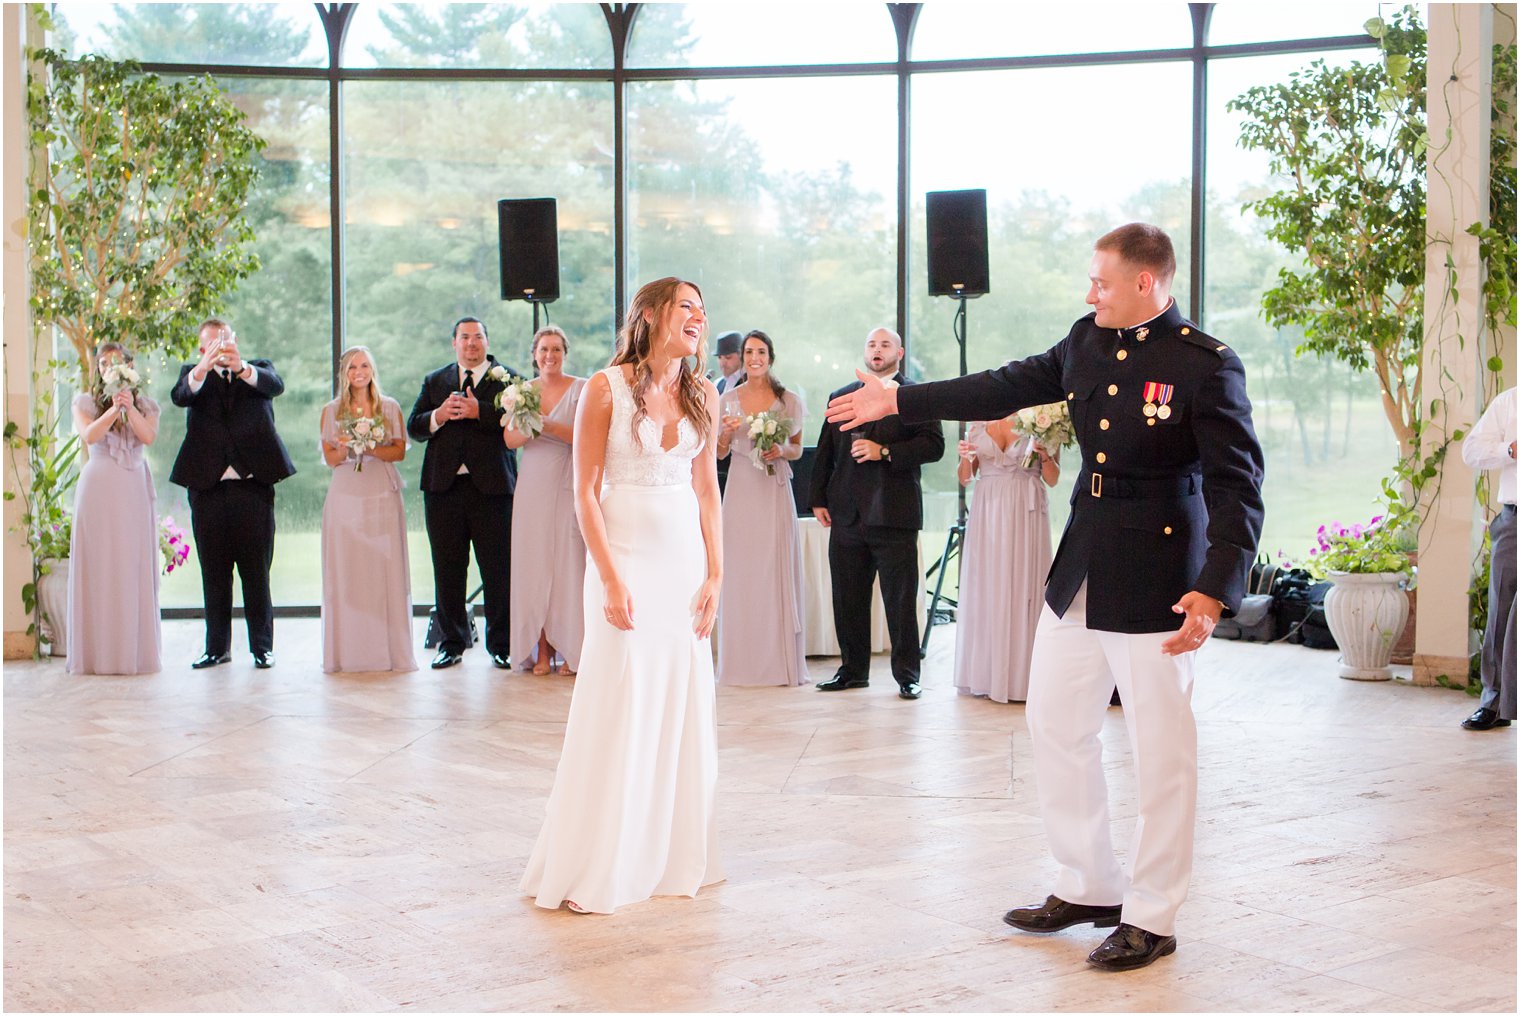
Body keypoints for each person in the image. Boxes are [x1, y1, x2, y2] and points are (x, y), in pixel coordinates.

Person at [825, 223, 1264, 972]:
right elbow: (1001, 384)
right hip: (1083, 563)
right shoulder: (1086, 339)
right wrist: (899, 399)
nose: (1089, 292)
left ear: (1146, 284)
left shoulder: (1205, 365)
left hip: (1160, 574)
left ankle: (1152, 915)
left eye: (1101, 281)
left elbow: (1238, 484)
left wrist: (1214, 589)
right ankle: (1088, 881)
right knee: (1056, 725)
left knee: (1161, 751)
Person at [520, 276, 724, 915]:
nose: (700, 316)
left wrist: (717, 573)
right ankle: (603, 860)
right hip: (625, 560)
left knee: (679, 702)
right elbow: (584, 489)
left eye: (702, 306)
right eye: (687, 306)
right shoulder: (604, 388)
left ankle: (669, 853)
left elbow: (707, 491)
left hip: (683, 566)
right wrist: (608, 576)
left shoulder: (705, 394)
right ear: (654, 314)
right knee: (621, 699)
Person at [809, 327, 945, 700]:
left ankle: (907, 675)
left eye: (885, 344)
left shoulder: (914, 396)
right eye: (872, 344)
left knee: (900, 601)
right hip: (847, 514)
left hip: (894, 513)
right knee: (847, 597)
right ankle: (852, 671)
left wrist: (883, 451)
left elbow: (934, 446)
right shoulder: (842, 396)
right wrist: (818, 498)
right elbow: (825, 451)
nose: (877, 350)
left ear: (899, 352)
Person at [170, 318, 296, 670]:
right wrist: (202, 368)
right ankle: (216, 647)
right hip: (208, 491)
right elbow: (180, 395)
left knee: (257, 572)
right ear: (200, 349)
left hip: (252, 490)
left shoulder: (258, 370)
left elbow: (275, 386)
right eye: (212, 344)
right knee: (214, 573)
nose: (220, 349)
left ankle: (262, 647)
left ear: (236, 341)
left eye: (224, 342)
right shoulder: (192, 376)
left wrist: (240, 367)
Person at [407, 316, 518, 670]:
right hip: (443, 489)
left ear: (487, 341)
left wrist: (478, 411)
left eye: (478, 337)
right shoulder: (434, 379)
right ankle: (451, 642)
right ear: (454, 342)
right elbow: (415, 427)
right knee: (447, 569)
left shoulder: (510, 378)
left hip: (493, 489)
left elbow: (517, 426)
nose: (471, 343)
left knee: (498, 570)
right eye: (465, 337)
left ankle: (501, 644)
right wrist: (438, 415)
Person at [715, 329, 808, 687]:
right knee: (741, 571)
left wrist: (780, 450)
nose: (755, 358)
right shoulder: (728, 399)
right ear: (741, 356)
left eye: (761, 351)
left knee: (773, 567)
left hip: (773, 488)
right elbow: (719, 453)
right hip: (740, 487)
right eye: (749, 352)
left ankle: (778, 662)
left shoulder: (789, 401)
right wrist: (724, 435)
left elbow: (797, 448)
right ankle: (740, 663)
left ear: (771, 356)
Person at [318, 346, 417, 674]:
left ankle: (387, 652)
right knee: (349, 569)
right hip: (346, 492)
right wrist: (347, 448)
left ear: (372, 370)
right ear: (344, 374)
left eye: (364, 366)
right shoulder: (331, 411)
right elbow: (331, 460)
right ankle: (347, 653)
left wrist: (372, 445)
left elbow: (399, 451)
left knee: (381, 567)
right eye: (352, 367)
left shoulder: (389, 408)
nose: (358, 372)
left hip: (379, 492)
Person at [66, 343, 162, 675]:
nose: (109, 366)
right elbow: (89, 436)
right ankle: (97, 655)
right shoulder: (85, 403)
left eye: (116, 362)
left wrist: (129, 406)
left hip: (133, 489)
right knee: (100, 564)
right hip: (98, 490)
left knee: (130, 564)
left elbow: (148, 437)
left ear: (130, 367)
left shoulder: (147, 405)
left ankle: (132, 654)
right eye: (104, 363)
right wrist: (111, 410)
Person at [954, 415, 1060, 702]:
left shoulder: (1044, 421)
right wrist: (965, 458)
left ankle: (1023, 677)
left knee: (1024, 586)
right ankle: (987, 675)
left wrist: (1046, 457)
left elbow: (1052, 479)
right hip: (987, 509)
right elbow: (965, 478)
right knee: (987, 586)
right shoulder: (976, 425)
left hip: (1026, 510)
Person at [505, 325, 587, 676]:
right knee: (535, 564)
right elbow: (509, 440)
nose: (549, 356)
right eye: (543, 350)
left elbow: (588, 436)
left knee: (570, 563)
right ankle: (540, 652)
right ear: (534, 355)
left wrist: (550, 427)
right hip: (534, 483)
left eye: (555, 349)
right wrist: (529, 426)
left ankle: (571, 650)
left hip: (569, 479)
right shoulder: (522, 392)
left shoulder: (582, 388)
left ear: (564, 353)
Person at [1460, 385, 1516, 731]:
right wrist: (1509, 449)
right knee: (1500, 611)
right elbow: (1471, 451)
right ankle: (1494, 703)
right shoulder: (1510, 402)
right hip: (1516, 520)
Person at [712, 331, 744, 496]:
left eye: (728, 357)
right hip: (718, 460)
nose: (723, 363)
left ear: (741, 355)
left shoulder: (749, 383)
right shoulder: (718, 384)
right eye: (720, 358)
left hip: (742, 459)